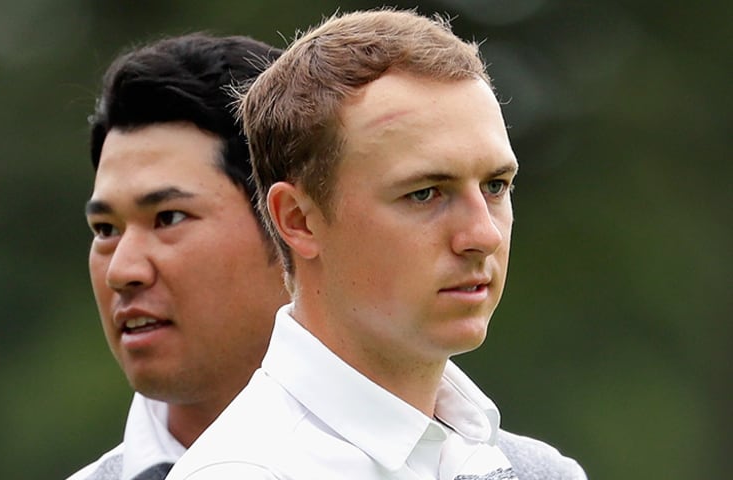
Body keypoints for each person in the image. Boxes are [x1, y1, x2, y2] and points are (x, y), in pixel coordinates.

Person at [168, 9, 587, 480]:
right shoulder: (245, 472)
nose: (484, 235)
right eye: (424, 193)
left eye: (495, 186)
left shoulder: (540, 470)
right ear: (299, 220)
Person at [67, 33, 287, 480]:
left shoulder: (453, 463)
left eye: (168, 218)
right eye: (105, 230)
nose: (122, 271)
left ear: (291, 224)